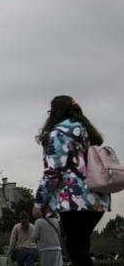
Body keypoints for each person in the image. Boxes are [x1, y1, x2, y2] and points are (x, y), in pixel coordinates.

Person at [34, 95, 110, 266]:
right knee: (81, 246)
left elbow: (53, 172)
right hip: (98, 197)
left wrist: (39, 202)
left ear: (54, 113)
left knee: (76, 248)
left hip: (75, 200)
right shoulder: (88, 132)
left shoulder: (58, 133)